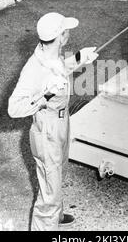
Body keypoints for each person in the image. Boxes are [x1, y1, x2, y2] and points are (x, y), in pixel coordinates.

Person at [8, 12, 98, 230]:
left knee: (57, 174)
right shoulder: (34, 68)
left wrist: (79, 58)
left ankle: (55, 216)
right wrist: (45, 96)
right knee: (50, 186)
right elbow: (14, 108)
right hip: (47, 127)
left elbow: (57, 71)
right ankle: (47, 219)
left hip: (61, 122)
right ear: (60, 36)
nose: (68, 34)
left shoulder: (49, 54)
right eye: (66, 30)